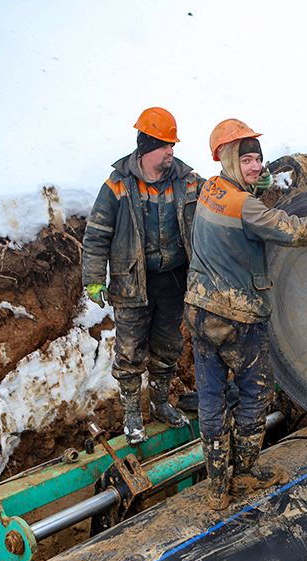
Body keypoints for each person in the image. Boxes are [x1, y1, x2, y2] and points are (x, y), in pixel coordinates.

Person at [185, 118, 307, 510]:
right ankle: (243, 472)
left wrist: (254, 184)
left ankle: (216, 487)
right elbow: (294, 230)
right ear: (229, 159)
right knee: (257, 390)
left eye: (258, 161)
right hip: (236, 317)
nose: (256, 168)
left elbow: (241, 197)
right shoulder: (246, 207)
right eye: (246, 161)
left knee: (211, 398)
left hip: (198, 309)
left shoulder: (211, 188)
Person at [82, 107, 203, 445]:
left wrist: (250, 185)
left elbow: (223, 199)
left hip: (174, 279)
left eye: (172, 146)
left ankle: (160, 402)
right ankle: (133, 414)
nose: (171, 152)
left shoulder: (187, 180)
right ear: (147, 147)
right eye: (165, 145)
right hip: (132, 279)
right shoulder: (118, 184)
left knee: (168, 345)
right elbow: (97, 233)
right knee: (131, 349)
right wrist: (93, 276)